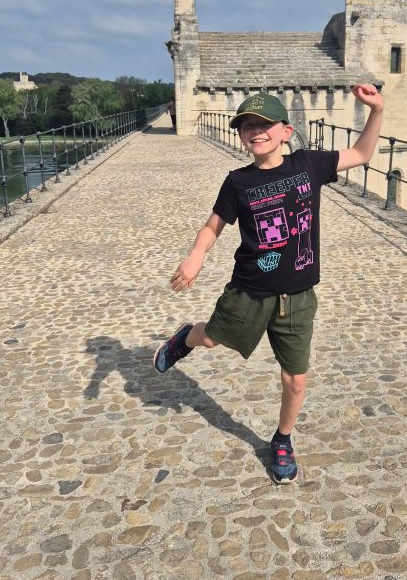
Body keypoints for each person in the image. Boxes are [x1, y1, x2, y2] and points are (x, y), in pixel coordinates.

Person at [153, 85, 384, 483]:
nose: (255, 131)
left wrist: (377, 110)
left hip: (297, 296)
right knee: (210, 339)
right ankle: (183, 338)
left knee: (295, 378)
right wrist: (196, 257)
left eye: (264, 124)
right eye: (246, 126)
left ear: (285, 131)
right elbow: (213, 226)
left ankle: (282, 439)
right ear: (241, 136)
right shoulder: (237, 181)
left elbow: (362, 154)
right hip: (249, 290)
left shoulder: (308, 165)